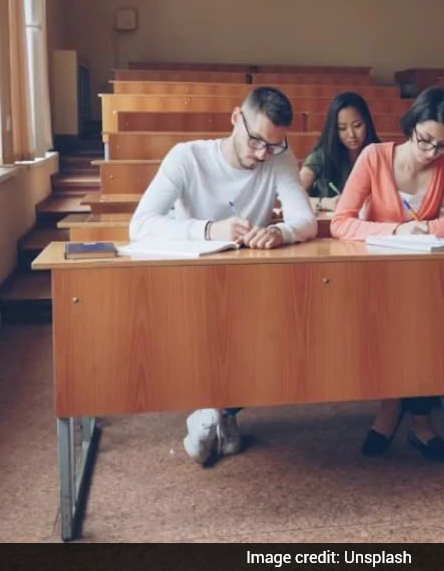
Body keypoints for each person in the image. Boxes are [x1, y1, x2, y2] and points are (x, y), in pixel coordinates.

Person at [129, 86, 317, 465]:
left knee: (264, 334)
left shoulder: (277, 158)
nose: (261, 154)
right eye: (255, 141)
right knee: (215, 333)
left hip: (249, 284)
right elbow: (141, 225)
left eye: (272, 146)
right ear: (236, 118)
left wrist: (280, 231)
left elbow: (305, 220)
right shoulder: (188, 157)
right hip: (190, 280)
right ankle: (217, 413)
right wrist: (209, 229)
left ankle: (215, 414)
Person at [330, 86, 444, 462]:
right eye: (425, 140)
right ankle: (391, 409)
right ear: (411, 126)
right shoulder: (375, 157)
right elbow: (341, 223)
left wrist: (422, 230)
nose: (431, 153)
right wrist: (397, 231)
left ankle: (420, 421)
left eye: (442, 145)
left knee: (430, 332)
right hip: (379, 278)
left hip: (426, 280)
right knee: (395, 332)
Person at [300, 92, 381, 212]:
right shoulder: (321, 156)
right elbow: (294, 196)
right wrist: (324, 203)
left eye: (357, 125)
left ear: (367, 123)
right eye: (342, 128)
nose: (351, 135)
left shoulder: (380, 154)